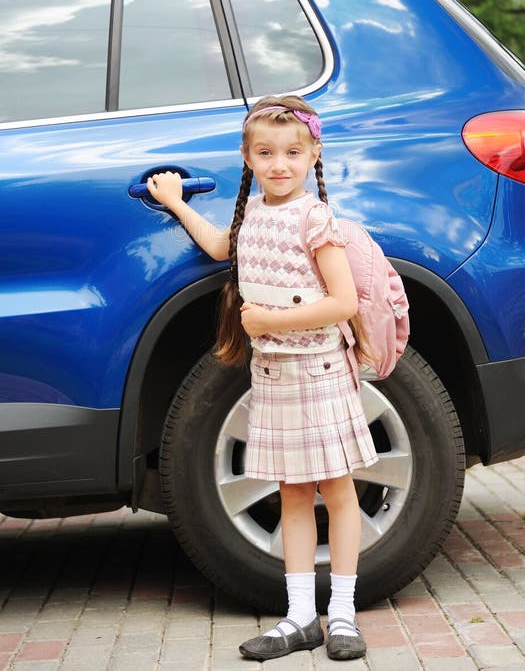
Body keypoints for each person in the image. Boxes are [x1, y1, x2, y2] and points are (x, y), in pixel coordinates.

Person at [147, 95, 378, 662]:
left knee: (338, 490)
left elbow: (342, 301)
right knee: (293, 494)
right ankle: (300, 616)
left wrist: (271, 320)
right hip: (272, 376)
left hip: (320, 370)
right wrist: (177, 204)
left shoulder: (315, 218)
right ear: (248, 159)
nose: (280, 164)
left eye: (293, 152)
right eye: (267, 153)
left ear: (313, 154)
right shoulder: (252, 216)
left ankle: (341, 614)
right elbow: (221, 247)